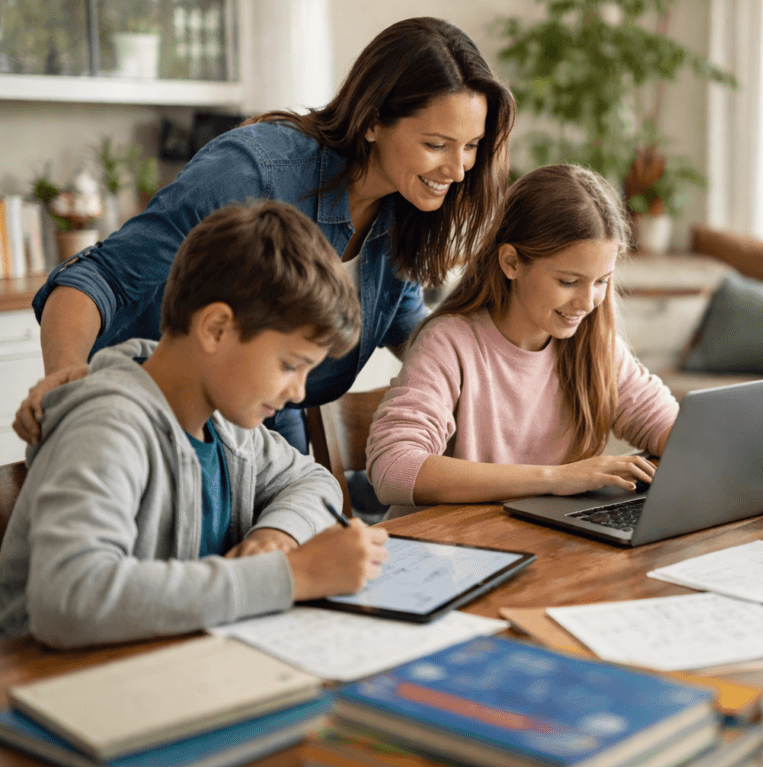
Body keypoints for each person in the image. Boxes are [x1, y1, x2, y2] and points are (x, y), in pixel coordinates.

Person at [15, 16, 514, 453]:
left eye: (471, 146)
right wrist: (65, 383)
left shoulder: (405, 213)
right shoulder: (254, 173)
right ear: (373, 121)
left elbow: (414, 334)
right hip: (143, 416)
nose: (458, 168)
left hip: (262, 431)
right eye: (436, 144)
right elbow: (96, 279)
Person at [0, 201, 389, 649]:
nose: (299, 392)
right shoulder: (108, 428)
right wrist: (292, 575)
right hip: (54, 686)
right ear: (216, 328)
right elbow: (68, 599)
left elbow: (310, 479)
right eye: (289, 365)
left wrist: (275, 535)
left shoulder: (229, 424)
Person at [364, 164, 678, 509]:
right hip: (443, 553)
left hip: (540, 545)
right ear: (511, 262)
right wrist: (555, 479)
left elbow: (669, 428)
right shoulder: (449, 343)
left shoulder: (594, 344)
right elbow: (393, 470)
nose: (587, 303)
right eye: (568, 282)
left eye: (601, 281)